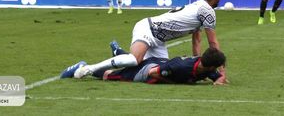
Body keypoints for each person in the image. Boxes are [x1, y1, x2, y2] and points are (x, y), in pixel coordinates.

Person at [73, 0, 227, 84]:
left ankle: (118, 52)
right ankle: (90, 68)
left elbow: (197, 40)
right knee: (134, 60)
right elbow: (212, 44)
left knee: (153, 68)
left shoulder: (198, 7)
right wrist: (221, 72)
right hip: (148, 29)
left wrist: (199, 66)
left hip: (159, 40)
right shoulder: (207, 12)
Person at [61, 47, 227, 85]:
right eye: (218, 67)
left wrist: (220, 80)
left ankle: (119, 51)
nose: (218, 70)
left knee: (134, 60)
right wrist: (176, 83)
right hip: (147, 71)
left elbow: (219, 77)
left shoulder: (203, 66)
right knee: (111, 76)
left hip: (158, 61)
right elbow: (155, 73)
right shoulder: (182, 67)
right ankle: (83, 67)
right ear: (210, 66)